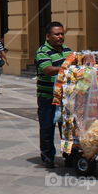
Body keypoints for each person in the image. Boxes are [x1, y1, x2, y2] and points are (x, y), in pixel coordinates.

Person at [35, 22, 72, 168]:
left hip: (65, 97)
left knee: (67, 129)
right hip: (47, 97)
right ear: (48, 36)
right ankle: (47, 157)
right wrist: (66, 67)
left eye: (62, 34)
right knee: (47, 128)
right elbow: (48, 70)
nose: (60, 37)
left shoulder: (68, 51)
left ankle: (69, 155)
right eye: (57, 34)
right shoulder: (42, 51)